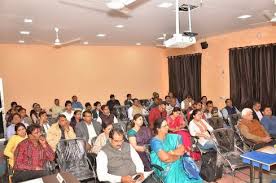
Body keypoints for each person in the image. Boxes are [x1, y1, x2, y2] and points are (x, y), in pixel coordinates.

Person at [150, 118, 202, 183]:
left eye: (167, 125)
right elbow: (165, 158)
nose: (167, 127)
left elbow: (182, 150)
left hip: (177, 160)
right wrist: (178, 156)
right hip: (165, 167)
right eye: (164, 126)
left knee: (188, 162)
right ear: (158, 129)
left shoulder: (173, 137)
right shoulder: (155, 142)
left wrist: (172, 152)